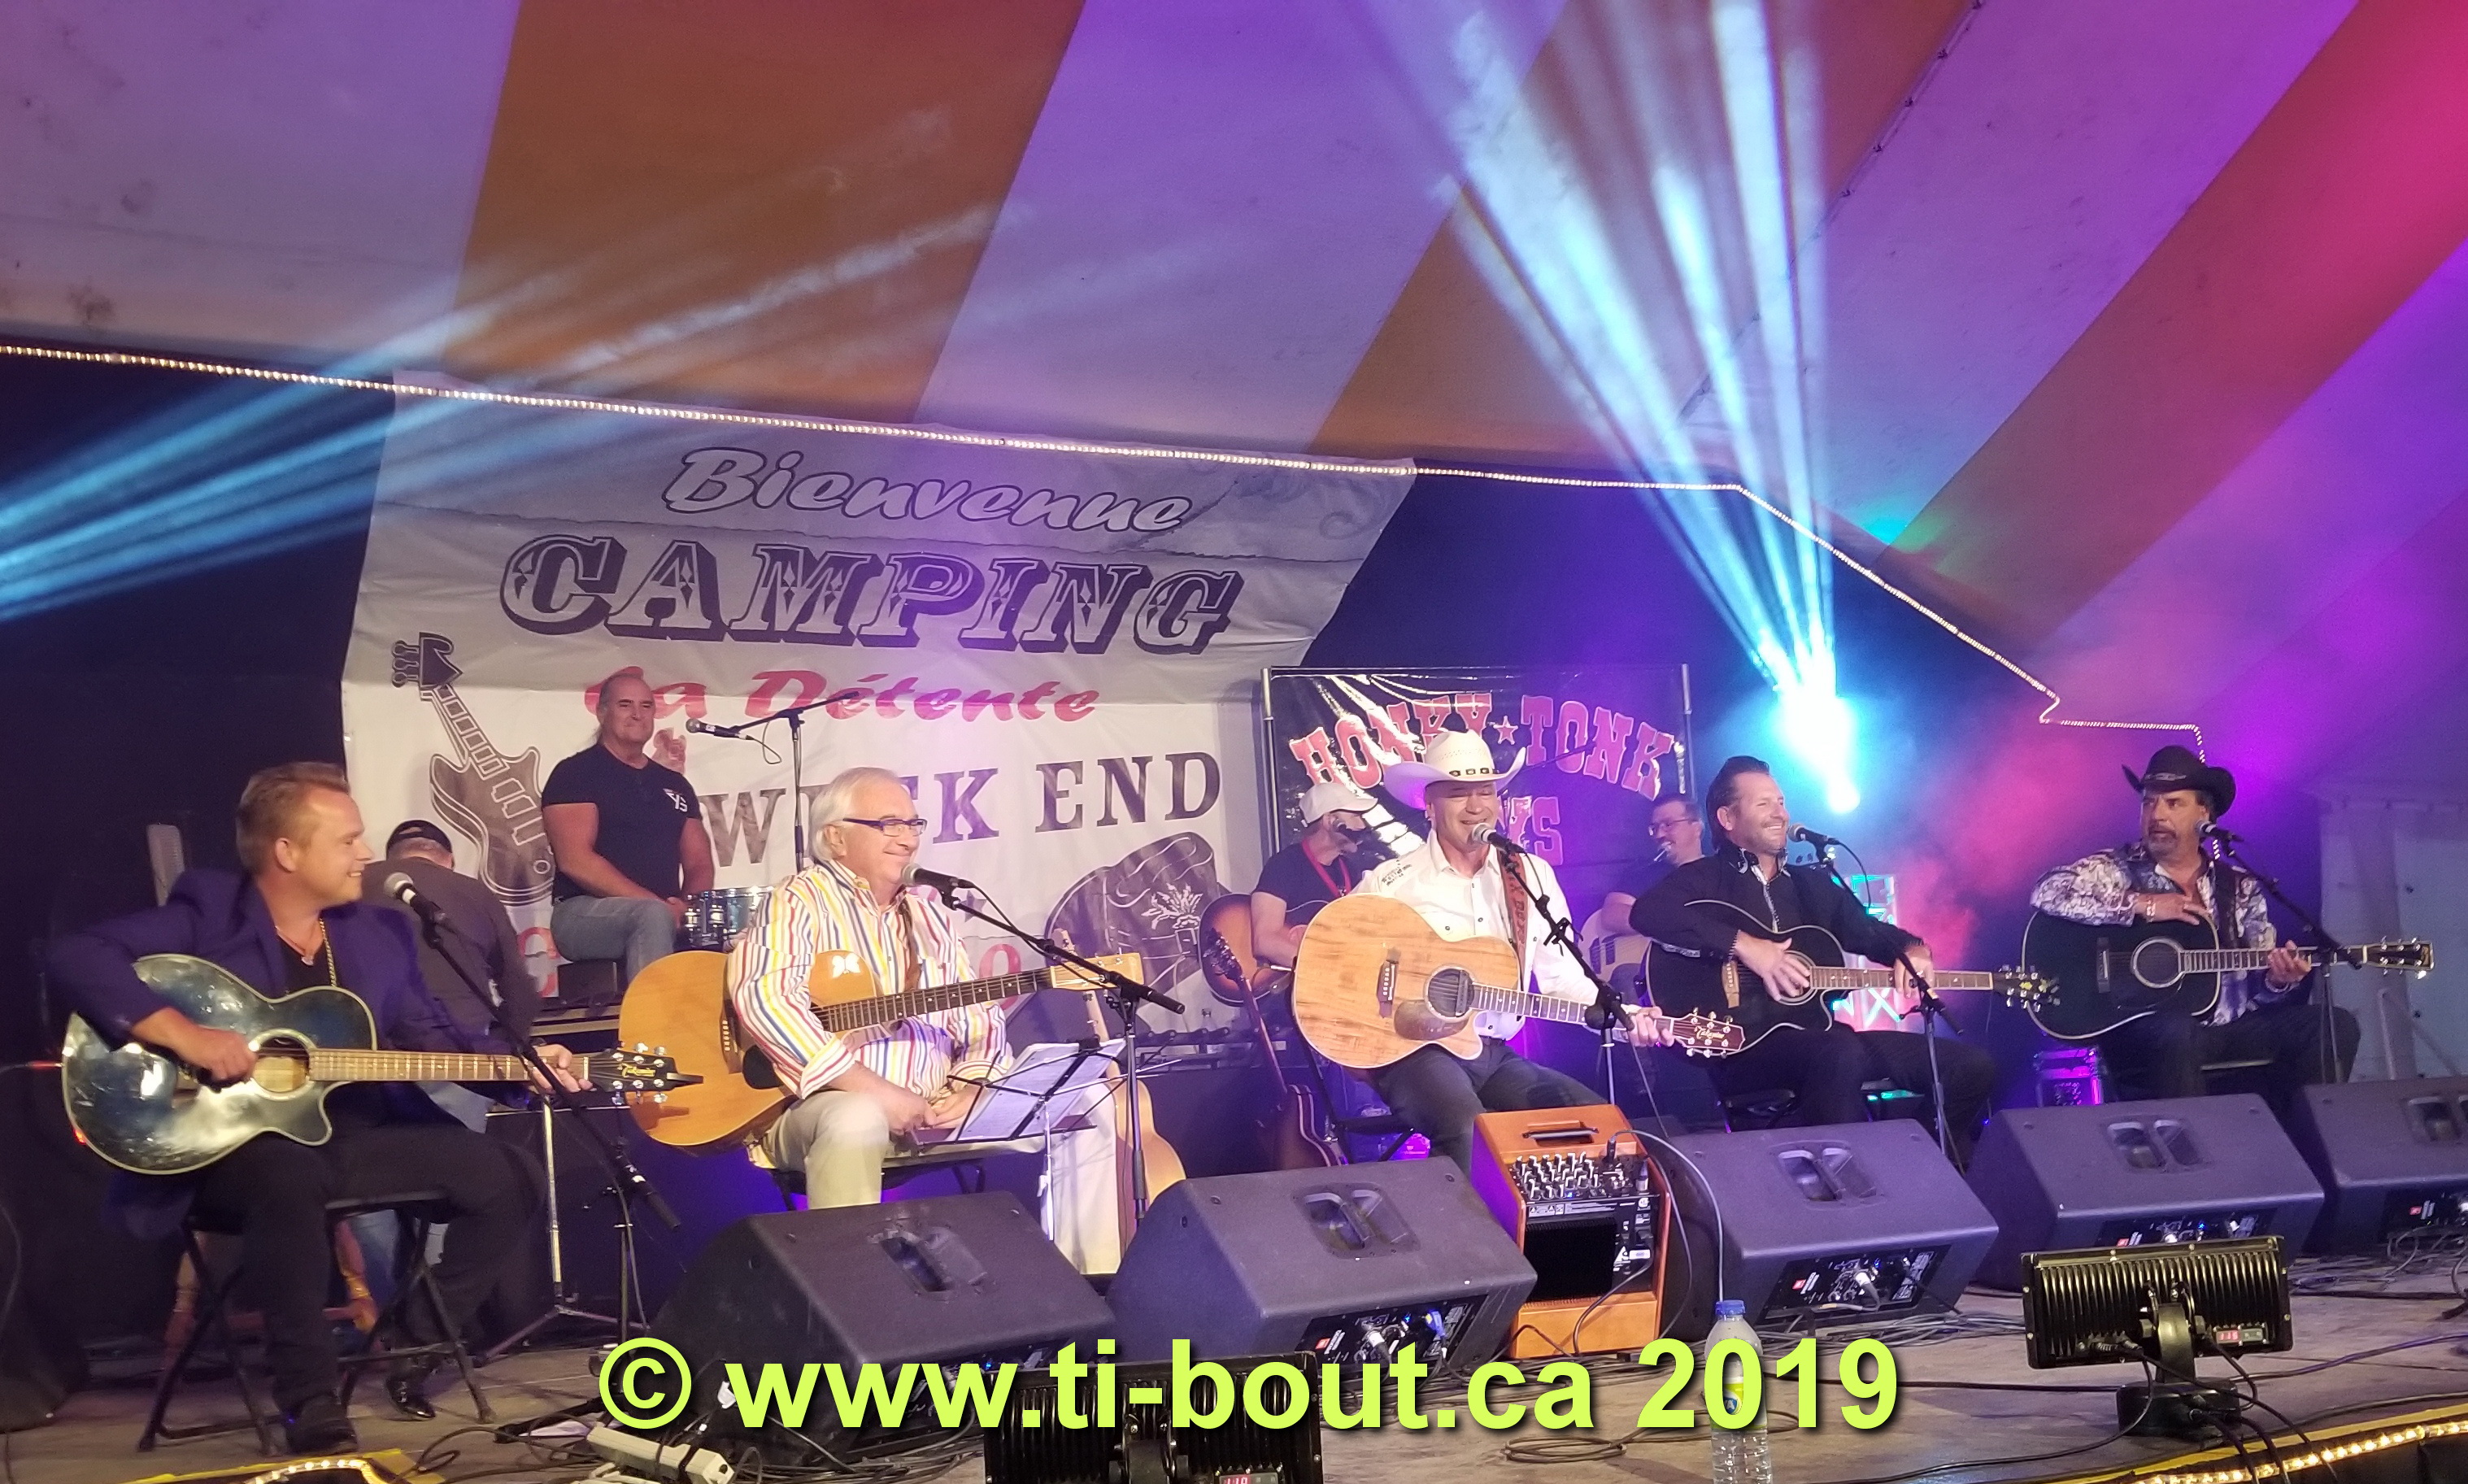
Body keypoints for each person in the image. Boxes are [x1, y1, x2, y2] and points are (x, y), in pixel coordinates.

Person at [47, 764, 577, 1452]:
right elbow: (76, 954)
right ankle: (309, 1396)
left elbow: (434, 1038)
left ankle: (414, 1341)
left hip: (351, 1139)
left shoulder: (379, 934)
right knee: (287, 1173)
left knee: (509, 1175)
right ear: (287, 851)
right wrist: (183, 1034)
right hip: (229, 1150)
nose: (366, 853)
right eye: (348, 840)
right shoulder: (210, 912)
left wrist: (524, 1067)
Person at [729, 768, 1125, 1270]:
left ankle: (1091, 1282)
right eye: (889, 824)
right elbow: (767, 1003)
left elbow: (978, 1020)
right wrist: (877, 1092)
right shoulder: (796, 901)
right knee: (856, 1117)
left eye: (913, 824)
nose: (908, 839)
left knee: (1091, 1099)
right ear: (836, 837)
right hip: (820, 1107)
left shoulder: (931, 917)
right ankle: (851, 1296)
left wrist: (975, 1086)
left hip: (936, 1107)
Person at [1630, 755, 1998, 1162]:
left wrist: (1913, 949)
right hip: (1739, 1048)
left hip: (1823, 1041)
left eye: (1781, 802)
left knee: (1972, 1067)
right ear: (1727, 818)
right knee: (1839, 1050)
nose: (1781, 813)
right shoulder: (1704, 877)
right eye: (1764, 804)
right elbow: (1648, 913)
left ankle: (1915, 1167)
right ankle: (1849, 1185)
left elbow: (1869, 934)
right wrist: (1746, 946)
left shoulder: (1812, 885)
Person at [1350, 729, 1662, 1170]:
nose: (1476, 806)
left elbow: (1563, 976)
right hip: (1414, 1051)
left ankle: (1571, 1217)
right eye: (1459, 793)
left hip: (1493, 1053)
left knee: (1598, 1126)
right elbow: (1336, 959)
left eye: (1486, 792)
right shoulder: (1390, 882)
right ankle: (1476, 1220)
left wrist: (1624, 1016)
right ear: (1429, 806)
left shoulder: (1528, 874)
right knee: (1470, 1130)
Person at [2031, 746, 2356, 1116]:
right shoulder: (2117, 868)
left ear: (2204, 814)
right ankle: (2196, 1149)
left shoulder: (2240, 886)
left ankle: (2306, 1143)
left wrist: (2277, 982)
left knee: (2335, 1025)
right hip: (2144, 1032)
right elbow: (2047, 891)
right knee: (2176, 1030)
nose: (2157, 815)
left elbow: (2259, 990)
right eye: (2148, 803)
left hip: (2229, 1027)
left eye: (2173, 803)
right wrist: (2143, 904)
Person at [542, 670, 714, 986]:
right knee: (652, 917)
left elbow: (700, 863)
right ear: (601, 712)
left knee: (725, 923)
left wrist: (688, 907)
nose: (637, 714)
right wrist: (659, 907)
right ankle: (652, 1018)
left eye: (646, 706)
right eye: (625, 705)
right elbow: (575, 860)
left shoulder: (674, 784)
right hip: (581, 912)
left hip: (661, 911)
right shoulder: (575, 774)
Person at [363, 818, 539, 1126]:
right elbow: (519, 991)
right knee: (458, 1152)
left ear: (392, 858)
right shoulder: (476, 893)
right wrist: (500, 1048)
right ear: (449, 860)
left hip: (364, 1058)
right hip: (458, 1054)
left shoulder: (357, 882)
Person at [1249, 779, 1378, 969]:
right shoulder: (1285, 865)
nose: (1362, 825)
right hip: (1297, 984)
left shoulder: (1350, 871)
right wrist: (1320, 968)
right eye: (1356, 816)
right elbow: (1265, 941)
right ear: (1330, 821)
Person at [1581, 790, 1704, 978]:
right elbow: (1611, 916)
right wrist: (1669, 922)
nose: (1660, 834)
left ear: (1697, 828)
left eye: (1668, 825)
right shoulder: (1644, 873)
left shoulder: (1716, 874)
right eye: (1655, 828)